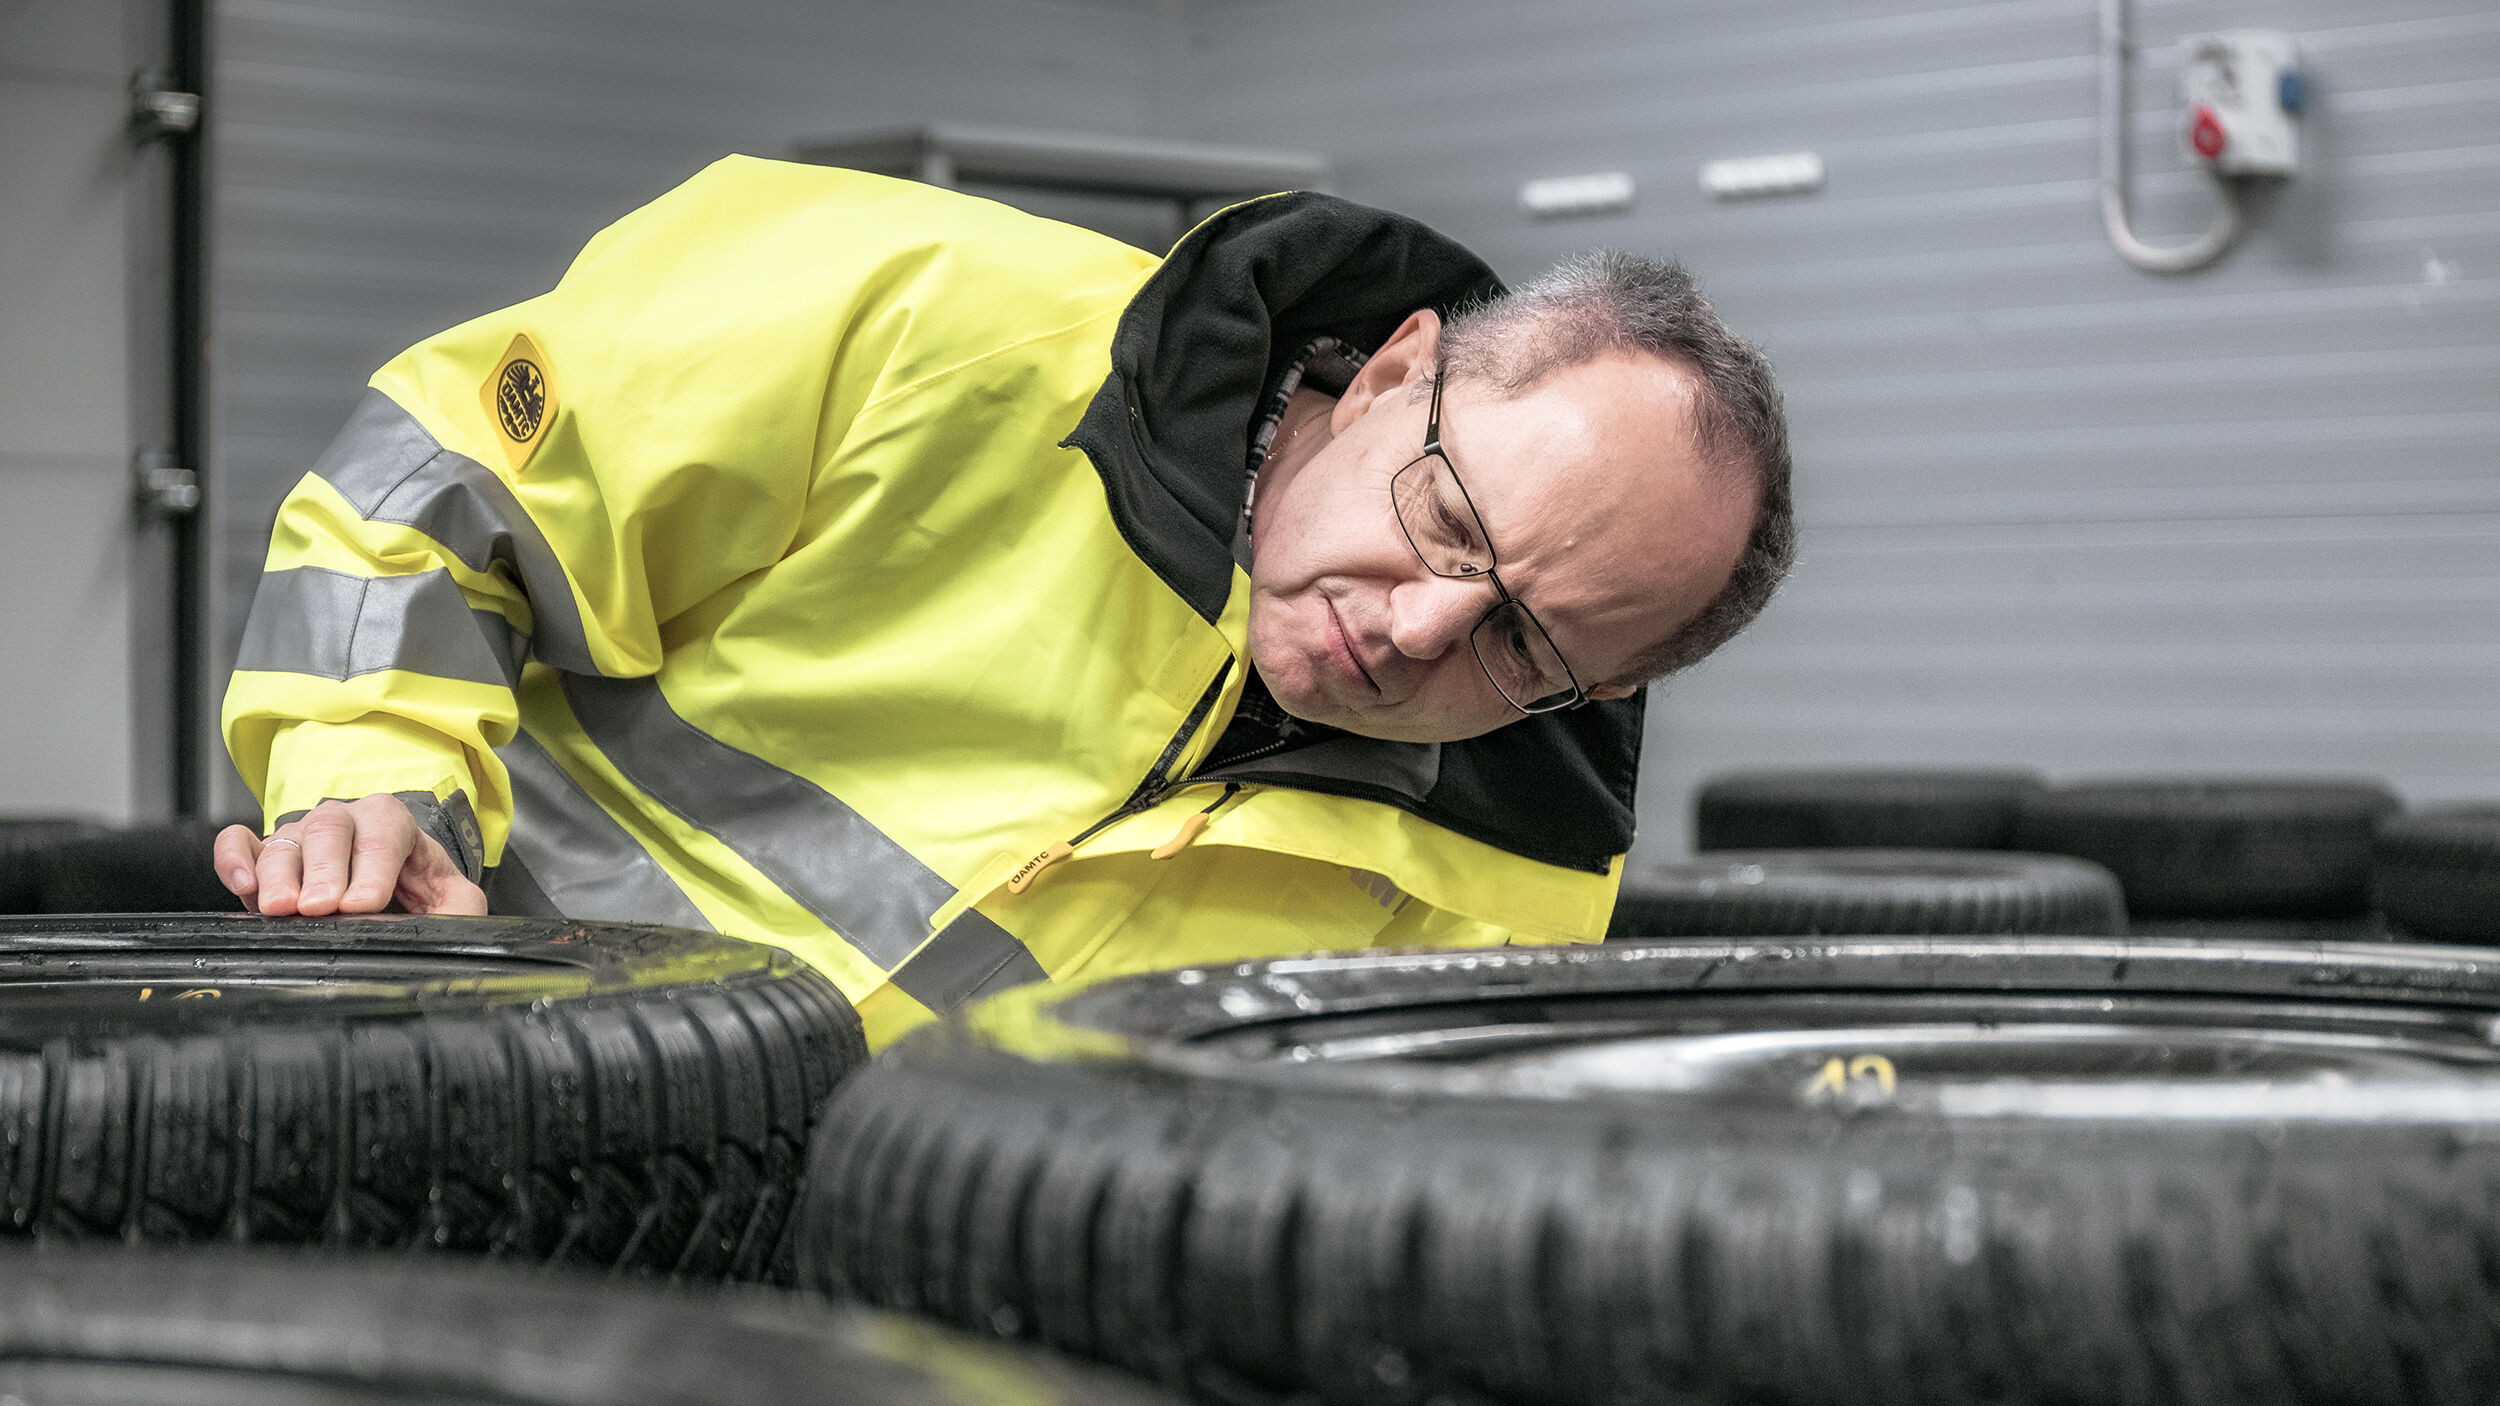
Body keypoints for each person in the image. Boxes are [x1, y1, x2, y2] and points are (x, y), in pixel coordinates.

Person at [213, 155, 1794, 1046]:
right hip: (456, 1062)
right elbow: (438, 484)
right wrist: (374, 776)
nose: (1421, 629)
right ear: (1389, 371)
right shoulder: (918, 311)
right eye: (1446, 517)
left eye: (1522, 640)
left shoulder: (1510, 878)